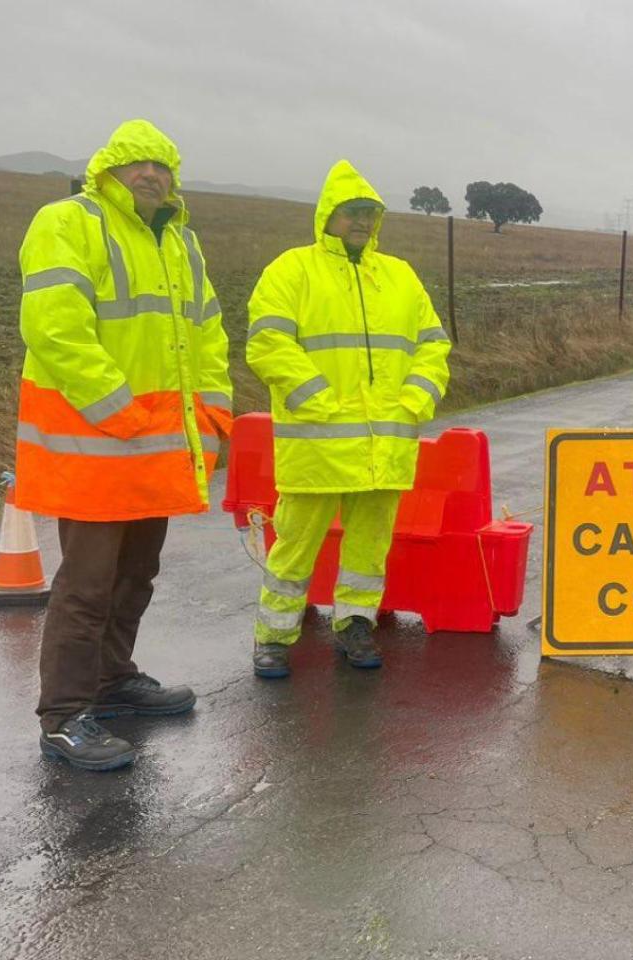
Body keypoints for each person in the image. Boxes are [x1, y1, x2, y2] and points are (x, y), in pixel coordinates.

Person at [17, 119, 232, 772]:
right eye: (135, 164)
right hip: (90, 447)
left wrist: (215, 416)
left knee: (137, 575)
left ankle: (113, 682)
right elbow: (55, 327)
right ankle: (65, 717)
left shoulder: (180, 243)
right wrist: (118, 408)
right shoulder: (67, 221)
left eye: (162, 165)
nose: (150, 174)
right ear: (107, 172)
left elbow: (208, 334)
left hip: (156, 450)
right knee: (86, 587)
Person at [246, 160, 451, 677]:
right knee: (295, 544)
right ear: (327, 215)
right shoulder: (292, 270)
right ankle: (273, 636)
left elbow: (432, 344)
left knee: (368, 546)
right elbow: (268, 343)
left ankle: (355, 624)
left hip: (384, 446)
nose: (361, 221)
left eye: (368, 213)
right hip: (317, 442)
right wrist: (316, 400)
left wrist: (415, 400)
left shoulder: (400, 277)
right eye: (351, 212)